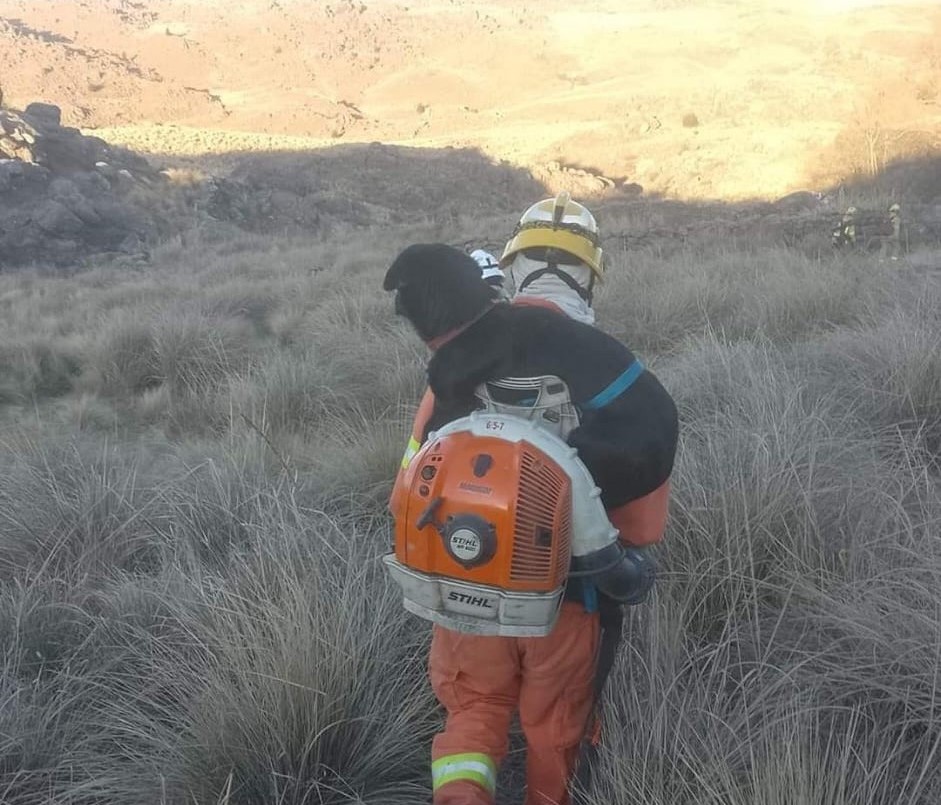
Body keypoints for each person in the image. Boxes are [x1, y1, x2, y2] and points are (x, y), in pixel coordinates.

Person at [384, 196, 678, 805]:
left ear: (511, 268)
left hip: (462, 589)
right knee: (557, 732)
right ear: (591, 278)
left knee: (473, 716)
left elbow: (404, 495)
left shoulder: (451, 369)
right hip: (569, 602)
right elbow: (645, 529)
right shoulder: (611, 367)